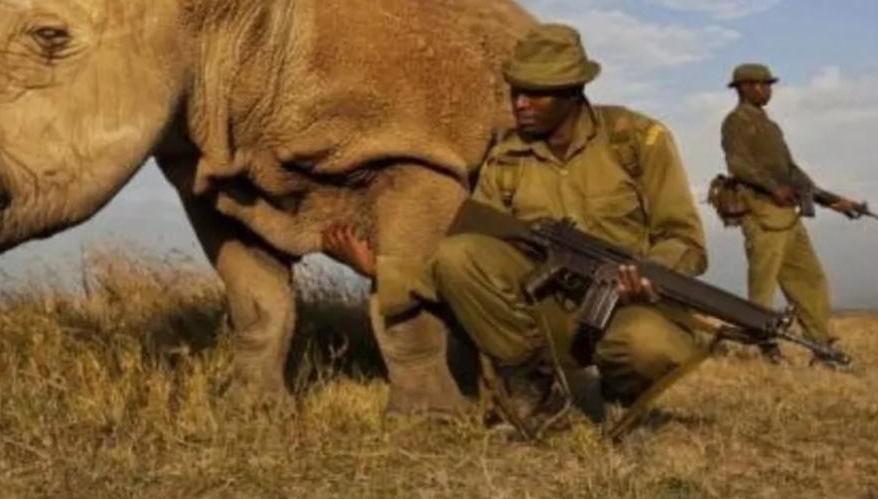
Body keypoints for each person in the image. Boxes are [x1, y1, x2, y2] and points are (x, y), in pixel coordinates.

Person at [324, 23, 707, 436]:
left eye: (536, 93)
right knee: (460, 254)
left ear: (573, 92)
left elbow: (684, 239)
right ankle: (535, 397)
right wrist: (379, 269)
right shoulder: (506, 159)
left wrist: (649, 274)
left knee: (648, 346)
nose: (520, 103)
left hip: (628, 307)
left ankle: (619, 396)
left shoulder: (636, 141)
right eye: (515, 91)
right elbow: (462, 262)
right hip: (547, 315)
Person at [720, 63, 865, 368]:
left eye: (768, 84)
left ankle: (823, 345)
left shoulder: (770, 126)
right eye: (759, 84)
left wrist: (834, 201)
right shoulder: (735, 122)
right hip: (761, 214)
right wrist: (773, 188)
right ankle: (762, 344)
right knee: (763, 285)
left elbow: (793, 171)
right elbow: (738, 165)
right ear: (742, 87)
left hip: (787, 215)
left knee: (809, 278)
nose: (766, 89)